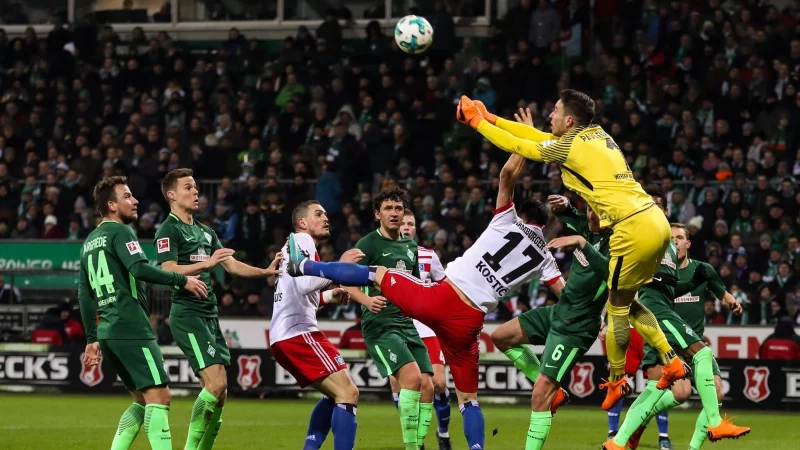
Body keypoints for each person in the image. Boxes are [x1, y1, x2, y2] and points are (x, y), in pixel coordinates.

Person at [286, 153, 566, 450]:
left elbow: (507, 174)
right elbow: (567, 295)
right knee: (468, 398)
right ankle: (475, 447)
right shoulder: (546, 258)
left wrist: (523, 144)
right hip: (471, 320)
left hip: (442, 298)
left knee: (378, 274)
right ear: (545, 226)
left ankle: (304, 266)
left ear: (519, 213)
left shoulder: (505, 220)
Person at [458, 93, 686, 407]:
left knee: (618, 310)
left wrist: (476, 122)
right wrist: (493, 117)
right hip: (656, 222)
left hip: (631, 227)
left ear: (568, 121)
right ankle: (671, 359)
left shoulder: (571, 144)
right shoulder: (596, 135)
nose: (549, 114)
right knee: (627, 301)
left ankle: (617, 381)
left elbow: (525, 147)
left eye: (554, 110)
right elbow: (537, 137)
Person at [602, 192, 749, 450]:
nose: (675, 241)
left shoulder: (694, 267)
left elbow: (713, 290)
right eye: (672, 237)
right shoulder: (653, 245)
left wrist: (730, 300)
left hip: (679, 330)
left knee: (710, 392)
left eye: (680, 238)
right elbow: (628, 276)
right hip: (660, 328)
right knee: (666, 387)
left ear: (687, 243)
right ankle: (625, 436)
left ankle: (624, 438)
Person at [154, 168, 281, 450]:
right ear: (172, 195)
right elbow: (168, 268)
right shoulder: (169, 229)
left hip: (209, 316)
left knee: (220, 393)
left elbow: (230, 264)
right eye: (188, 187)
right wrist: (205, 265)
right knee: (214, 385)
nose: (196, 192)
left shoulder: (205, 231)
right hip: (187, 314)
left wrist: (265, 271)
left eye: (196, 187)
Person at [78, 176, 209, 450]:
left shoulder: (89, 241)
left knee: (141, 401)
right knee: (160, 398)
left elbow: (84, 294)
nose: (135, 201)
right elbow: (139, 269)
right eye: (127, 196)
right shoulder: (121, 232)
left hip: (108, 332)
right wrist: (181, 280)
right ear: (112, 206)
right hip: (131, 327)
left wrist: (91, 338)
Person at [490, 195, 608, 450]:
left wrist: (582, 243)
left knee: (539, 395)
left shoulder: (619, 242)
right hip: (557, 312)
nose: (591, 215)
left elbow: (613, 274)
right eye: (589, 210)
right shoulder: (588, 227)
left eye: (597, 211)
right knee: (500, 336)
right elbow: (573, 217)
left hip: (576, 328)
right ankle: (555, 393)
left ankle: (547, 396)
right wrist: (566, 207)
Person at [270, 200, 372, 450]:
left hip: (286, 335)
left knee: (334, 395)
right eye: (318, 214)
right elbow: (305, 284)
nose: (326, 218)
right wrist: (341, 265)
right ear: (302, 223)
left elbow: (300, 295)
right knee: (348, 393)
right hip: (298, 333)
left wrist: (329, 296)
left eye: (326, 213)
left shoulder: (295, 246)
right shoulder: (302, 240)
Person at [342, 188, 435, 450]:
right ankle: (411, 447)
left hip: (406, 323)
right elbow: (346, 280)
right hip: (380, 324)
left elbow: (414, 285)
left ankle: (418, 443)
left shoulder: (410, 246)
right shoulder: (368, 244)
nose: (394, 213)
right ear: (377, 214)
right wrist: (367, 301)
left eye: (398, 208)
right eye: (388, 209)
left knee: (429, 385)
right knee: (413, 379)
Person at [389, 209, 452, 450]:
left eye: (411, 224)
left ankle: (443, 432)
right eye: (403, 223)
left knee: (438, 384)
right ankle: (415, 439)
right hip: (395, 327)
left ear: (416, 229)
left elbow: (444, 287)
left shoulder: (428, 256)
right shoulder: (383, 254)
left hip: (426, 329)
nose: (406, 227)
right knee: (400, 386)